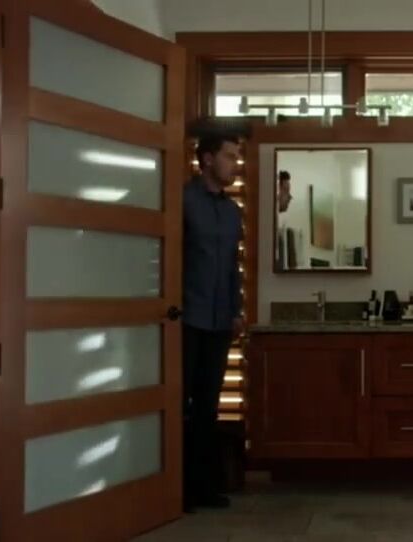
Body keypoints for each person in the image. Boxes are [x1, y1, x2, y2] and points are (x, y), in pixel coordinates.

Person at [182, 133, 244, 511]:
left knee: (208, 406)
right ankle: (175, 489)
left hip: (221, 322)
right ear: (207, 159)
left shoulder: (233, 211)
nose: (235, 163)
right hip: (187, 318)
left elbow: (233, 267)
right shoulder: (183, 201)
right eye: (229, 156)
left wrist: (236, 311)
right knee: (181, 404)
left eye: (237, 156)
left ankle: (203, 487)